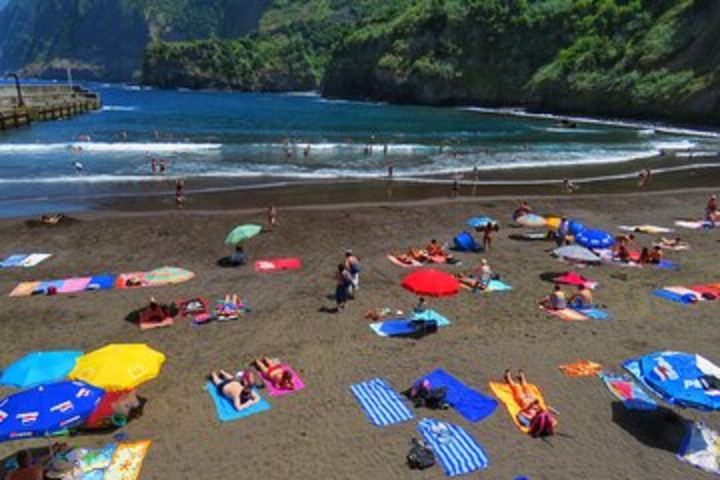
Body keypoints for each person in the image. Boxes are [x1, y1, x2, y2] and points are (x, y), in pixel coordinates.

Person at [503, 370, 557, 434]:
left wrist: (530, 407)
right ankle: (522, 377)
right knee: (526, 387)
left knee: (517, 387)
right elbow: (553, 421)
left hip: (523, 399)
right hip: (531, 398)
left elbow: (520, 413)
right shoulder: (540, 412)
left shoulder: (530, 417)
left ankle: (508, 377)